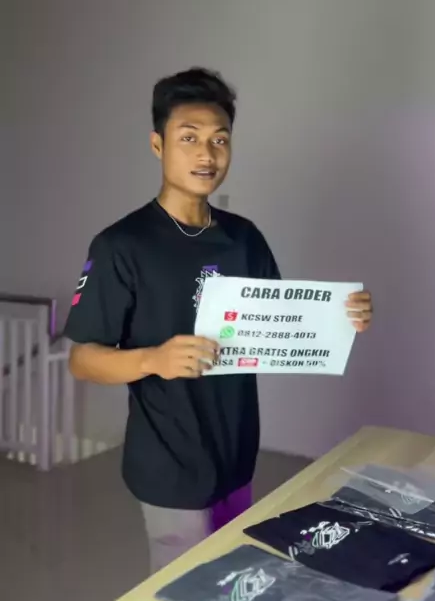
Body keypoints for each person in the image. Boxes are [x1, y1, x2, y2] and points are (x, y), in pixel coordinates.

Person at [65, 67, 373, 573]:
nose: (206, 154)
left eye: (219, 140)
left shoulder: (244, 238)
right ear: (158, 145)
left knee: (231, 577)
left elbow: (280, 328)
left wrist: (341, 317)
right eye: (189, 138)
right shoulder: (122, 245)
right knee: (186, 590)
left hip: (235, 453)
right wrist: (154, 359)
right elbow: (82, 360)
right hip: (169, 462)